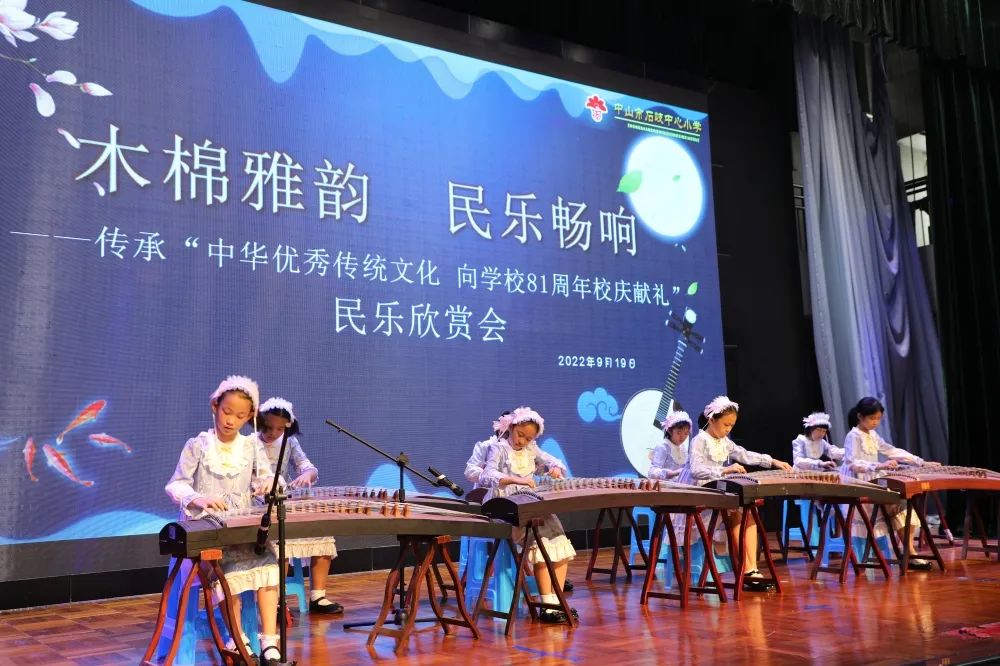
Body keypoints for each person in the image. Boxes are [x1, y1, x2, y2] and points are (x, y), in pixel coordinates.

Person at [165, 376, 283, 665]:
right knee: (227, 571)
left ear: (249, 417)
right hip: (206, 531)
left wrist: (267, 484)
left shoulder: (251, 447)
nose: (231, 420)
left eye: (240, 416)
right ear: (215, 406)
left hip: (240, 529)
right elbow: (175, 484)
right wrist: (198, 498)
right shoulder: (198, 445)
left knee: (270, 564)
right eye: (227, 412)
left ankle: (270, 643)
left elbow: (268, 478)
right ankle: (237, 639)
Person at [677, 395, 792, 591]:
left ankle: (751, 569)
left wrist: (772, 461)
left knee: (748, 514)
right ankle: (746, 570)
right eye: (725, 424)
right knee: (738, 514)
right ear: (711, 420)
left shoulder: (724, 441)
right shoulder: (699, 440)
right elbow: (696, 470)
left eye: (731, 425)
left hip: (716, 489)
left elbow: (744, 454)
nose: (728, 429)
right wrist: (724, 470)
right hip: (699, 490)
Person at [479, 406, 577, 622]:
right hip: (504, 506)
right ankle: (546, 603)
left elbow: (552, 462)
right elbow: (486, 475)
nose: (522, 441)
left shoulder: (531, 449)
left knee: (559, 540)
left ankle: (556, 602)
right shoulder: (499, 448)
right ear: (511, 427)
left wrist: (555, 469)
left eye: (528, 438)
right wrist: (516, 480)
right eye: (520, 434)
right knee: (542, 542)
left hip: (529, 502)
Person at [255, 397, 343, 614]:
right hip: (257, 504)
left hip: (283, 500)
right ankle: (275, 601)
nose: (273, 433)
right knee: (279, 539)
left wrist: (306, 475)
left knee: (321, 531)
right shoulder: (249, 444)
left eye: (279, 429)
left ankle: (318, 596)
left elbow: (308, 467)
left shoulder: (289, 442)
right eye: (269, 427)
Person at [840, 396, 940, 570]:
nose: (875, 422)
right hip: (859, 482)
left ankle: (910, 552)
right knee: (899, 504)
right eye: (872, 418)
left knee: (904, 506)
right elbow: (851, 462)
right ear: (860, 416)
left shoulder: (872, 435)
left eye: (878, 418)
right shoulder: (853, 436)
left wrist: (920, 462)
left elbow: (891, 450)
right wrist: (878, 465)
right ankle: (910, 554)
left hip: (873, 480)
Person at [647, 411, 692, 480]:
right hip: (663, 485)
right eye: (679, 433)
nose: (682, 437)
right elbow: (652, 472)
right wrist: (672, 473)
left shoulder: (683, 449)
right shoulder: (663, 447)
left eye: (686, 434)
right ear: (670, 431)